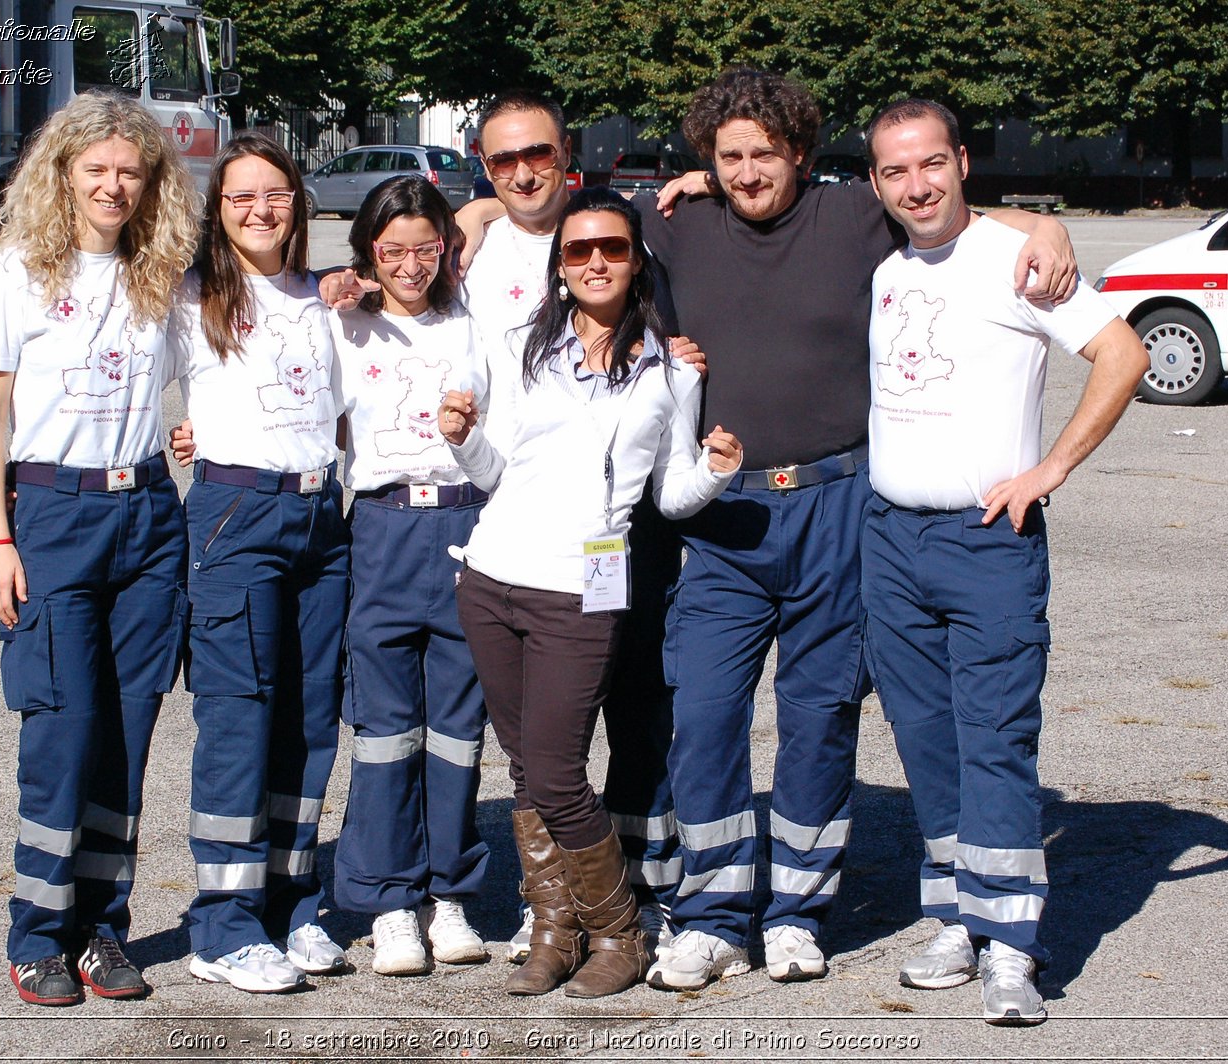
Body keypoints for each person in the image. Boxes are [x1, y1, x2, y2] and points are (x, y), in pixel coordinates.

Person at [632, 68, 1078, 991]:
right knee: (705, 713)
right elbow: (533, 222)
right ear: (705, 163)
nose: (748, 171)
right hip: (723, 513)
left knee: (820, 715)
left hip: (840, 505)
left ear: (802, 153)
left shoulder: (855, 217)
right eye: (729, 157)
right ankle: (712, 913)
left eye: (765, 152)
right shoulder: (670, 224)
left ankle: (797, 909)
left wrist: (1049, 225)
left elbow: (949, 210)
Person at [859, 99, 1147, 1025]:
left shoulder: (1016, 260)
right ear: (875, 182)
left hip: (987, 542)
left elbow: (1124, 355)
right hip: (890, 537)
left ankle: (1014, 944)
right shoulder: (884, 263)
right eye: (896, 171)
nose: (917, 185)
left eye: (932, 164)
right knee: (926, 742)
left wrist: (1050, 468)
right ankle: (955, 914)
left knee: (995, 740)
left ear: (962, 162)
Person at [440, 187, 743, 998]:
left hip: (584, 585)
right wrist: (465, 440)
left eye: (611, 247)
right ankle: (552, 928)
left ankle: (619, 933)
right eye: (579, 251)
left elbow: (669, 494)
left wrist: (716, 472)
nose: (596, 261)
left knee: (558, 769)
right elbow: (497, 474)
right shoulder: (518, 349)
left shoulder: (670, 368)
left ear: (636, 258)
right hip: (493, 576)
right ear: (560, 267)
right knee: (526, 768)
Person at [0, 90, 198, 1006]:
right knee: (62, 730)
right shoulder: (19, 269)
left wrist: (188, 438)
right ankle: (38, 933)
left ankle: (103, 926)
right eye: (95, 169)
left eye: (128, 172)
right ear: (62, 173)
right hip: (54, 518)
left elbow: (212, 370)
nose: (112, 185)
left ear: (150, 185)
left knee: (128, 731)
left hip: (146, 515)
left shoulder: (162, 273)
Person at [172, 131, 349, 994]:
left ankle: (293, 901)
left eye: (274, 193)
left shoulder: (328, 298)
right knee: (240, 719)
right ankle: (224, 923)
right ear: (218, 209)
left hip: (323, 519)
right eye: (239, 195)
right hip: (236, 517)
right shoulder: (188, 297)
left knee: (312, 720)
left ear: (298, 204)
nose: (259, 209)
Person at [328, 175, 491, 976]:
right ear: (367, 254)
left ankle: (450, 891)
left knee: (459, 730)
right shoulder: (343, 329)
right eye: (392, 250)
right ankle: (391, 901)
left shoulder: (474, 320)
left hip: (467, 522)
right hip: (384, 527)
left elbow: (498, 210)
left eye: (427, 247)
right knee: (387, 730)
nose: (411, 264)